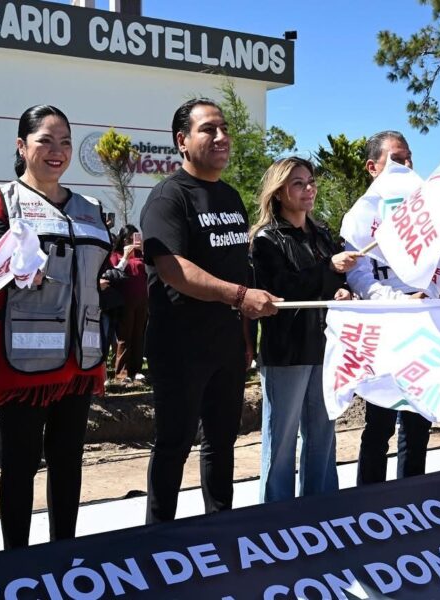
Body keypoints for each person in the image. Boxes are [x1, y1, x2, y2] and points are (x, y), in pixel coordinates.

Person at [0, 104, 111, 547]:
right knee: (21, 463)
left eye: (65, 142)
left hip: (81, 358)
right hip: (24, 361)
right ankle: (17, 561)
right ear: (21, 146)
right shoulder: (3, 200)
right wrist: (19, 267)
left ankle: (62, 555)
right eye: (45, 141)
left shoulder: (91, 207)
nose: (58, 151)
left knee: (68, 460)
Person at [140, 98, 279, 524]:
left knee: (221, 443)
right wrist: (240, 296)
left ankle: (220, 528)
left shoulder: (230, 197)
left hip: (227, 347)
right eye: (208, 130)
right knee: (174, 444)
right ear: (182, 141)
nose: (221, 137)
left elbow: (238, 268)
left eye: (224, 129)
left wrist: (244, 338)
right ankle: (157, 537)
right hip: (180, 347)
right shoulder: (168, 198)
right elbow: (174, 269)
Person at [250, 157, 356, 502]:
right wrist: (328, 269)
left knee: (323, 436)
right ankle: (276, 514)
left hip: (327, 347)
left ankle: (321, 509)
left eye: (311, 181)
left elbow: (333, 283)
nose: (309, 189)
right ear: (279, 192)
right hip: (288, 350)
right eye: (298, 183)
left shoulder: (322, 233)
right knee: (281, 440)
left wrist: (342, 290)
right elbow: (282, 289)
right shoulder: (266, 239)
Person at [342, 130, 430, 485]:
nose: (406, 165)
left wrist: (431, 291)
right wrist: (399, 301)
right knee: (379, 425)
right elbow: (358, 277)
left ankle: (414, 494)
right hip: (384, 328)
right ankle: (370, 499)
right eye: (396, 159)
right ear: (372, 167)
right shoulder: (361, 215)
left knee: (418, 422)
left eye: (409, 158)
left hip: (423, 324)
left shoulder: (425, 210)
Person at [109, 225, 148, 382]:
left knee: (138, 335)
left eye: (134, 238)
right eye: (128, 239)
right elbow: (114, 273)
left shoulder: (141, 255)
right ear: (122, 240)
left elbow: (150, 270)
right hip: (124, 301)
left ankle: (136, 370)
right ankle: (122, 373)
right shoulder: (116, 255)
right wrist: (125, 256)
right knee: (124, 336)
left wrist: (143, 250)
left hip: (142, 300)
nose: (131, 241)